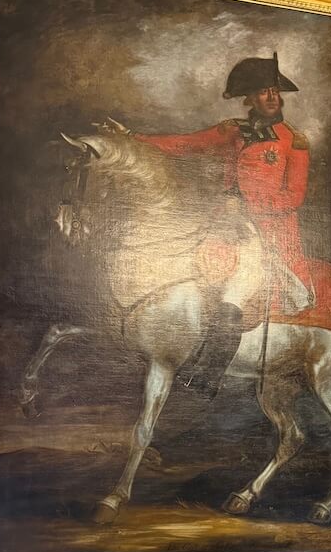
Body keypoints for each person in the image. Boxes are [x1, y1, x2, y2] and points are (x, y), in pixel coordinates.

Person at [126, 53, 314, 401]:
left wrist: (247, 206)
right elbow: (185, 144)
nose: (271, 97)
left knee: (233, 295)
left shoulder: (295, 141)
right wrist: (134, 138)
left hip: (267, 235)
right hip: (225, 225)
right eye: (263, 92)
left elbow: (294, 197)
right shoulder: (234, 130)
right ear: (249, 100)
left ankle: (208, 375)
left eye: (275, 91)